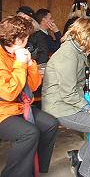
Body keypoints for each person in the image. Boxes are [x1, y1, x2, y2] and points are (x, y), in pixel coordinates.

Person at [41, 18, 90, 177]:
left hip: (75, 101)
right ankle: (89, 173)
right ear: (87, 35)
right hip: (60, 107)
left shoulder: (77, 49)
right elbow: (67, 93)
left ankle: (80, 156)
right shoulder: (67, 54)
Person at [0, 16, 58, 177]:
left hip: (20, 107)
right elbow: (9, 93)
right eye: (26, 38)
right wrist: (20, 64)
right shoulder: (3, 57)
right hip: (3, 112)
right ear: (18, 39)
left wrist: (31, 64)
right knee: (29, 133)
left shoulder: (18, 53)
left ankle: (36, 169)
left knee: (50, 124)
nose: (28, 41)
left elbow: (32, 86)